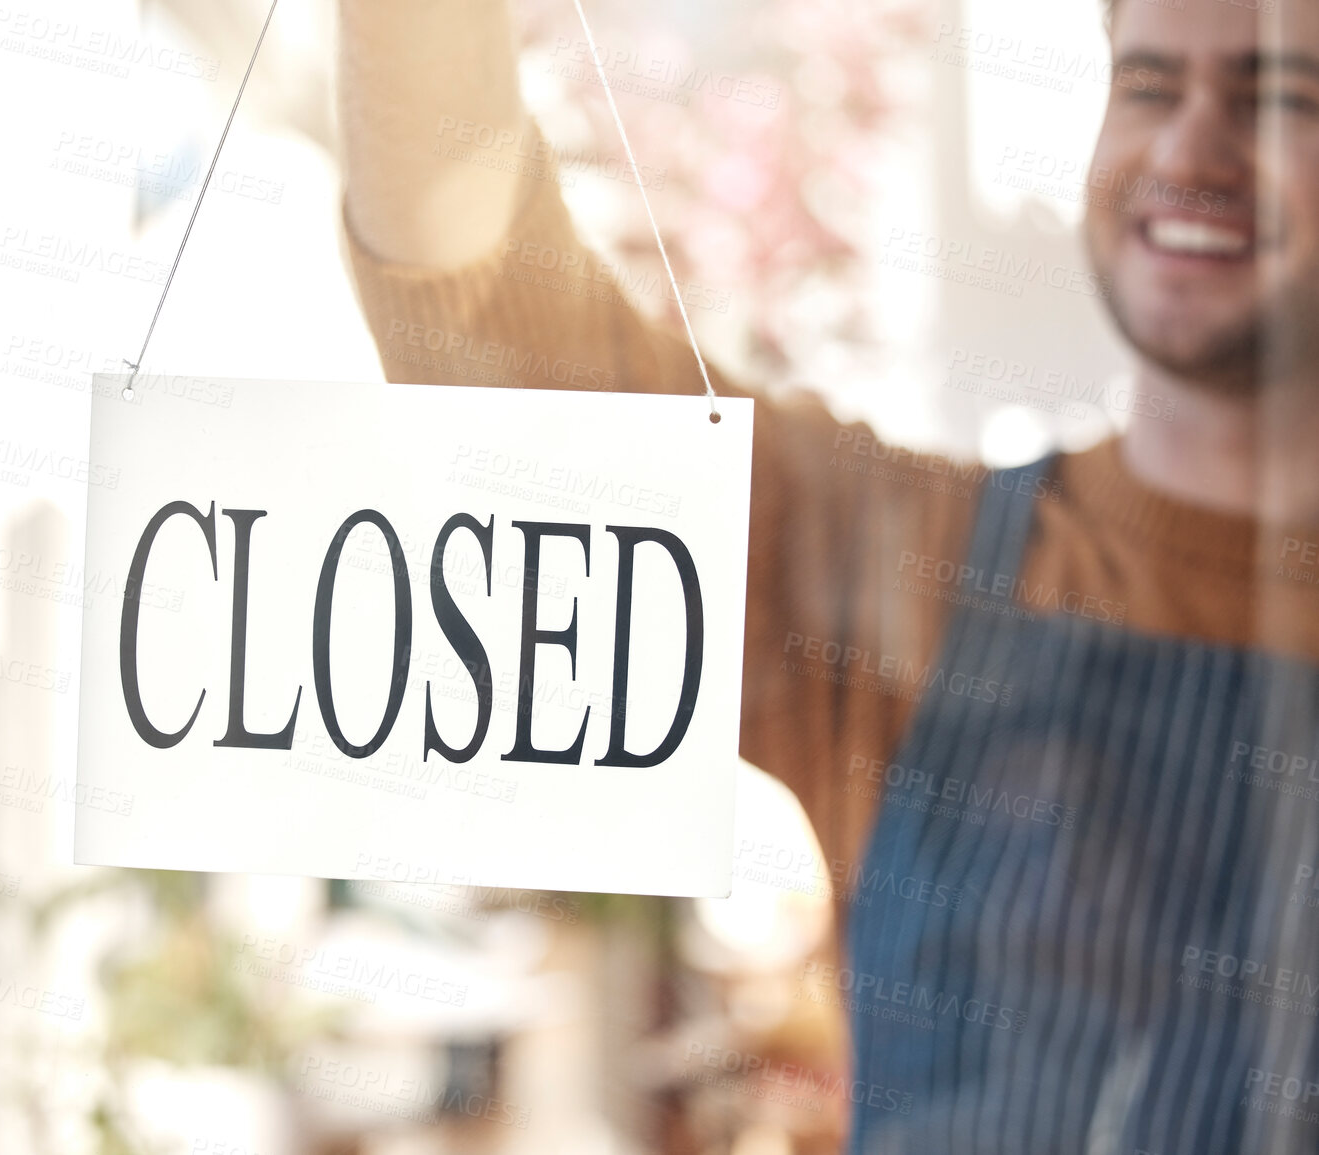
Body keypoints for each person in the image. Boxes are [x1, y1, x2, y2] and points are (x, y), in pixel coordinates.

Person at [336, 0, 1319, 1149]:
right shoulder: (909, 558)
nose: (1188, 151)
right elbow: (499, 341)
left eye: (1281, 98)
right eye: (1148, 86)